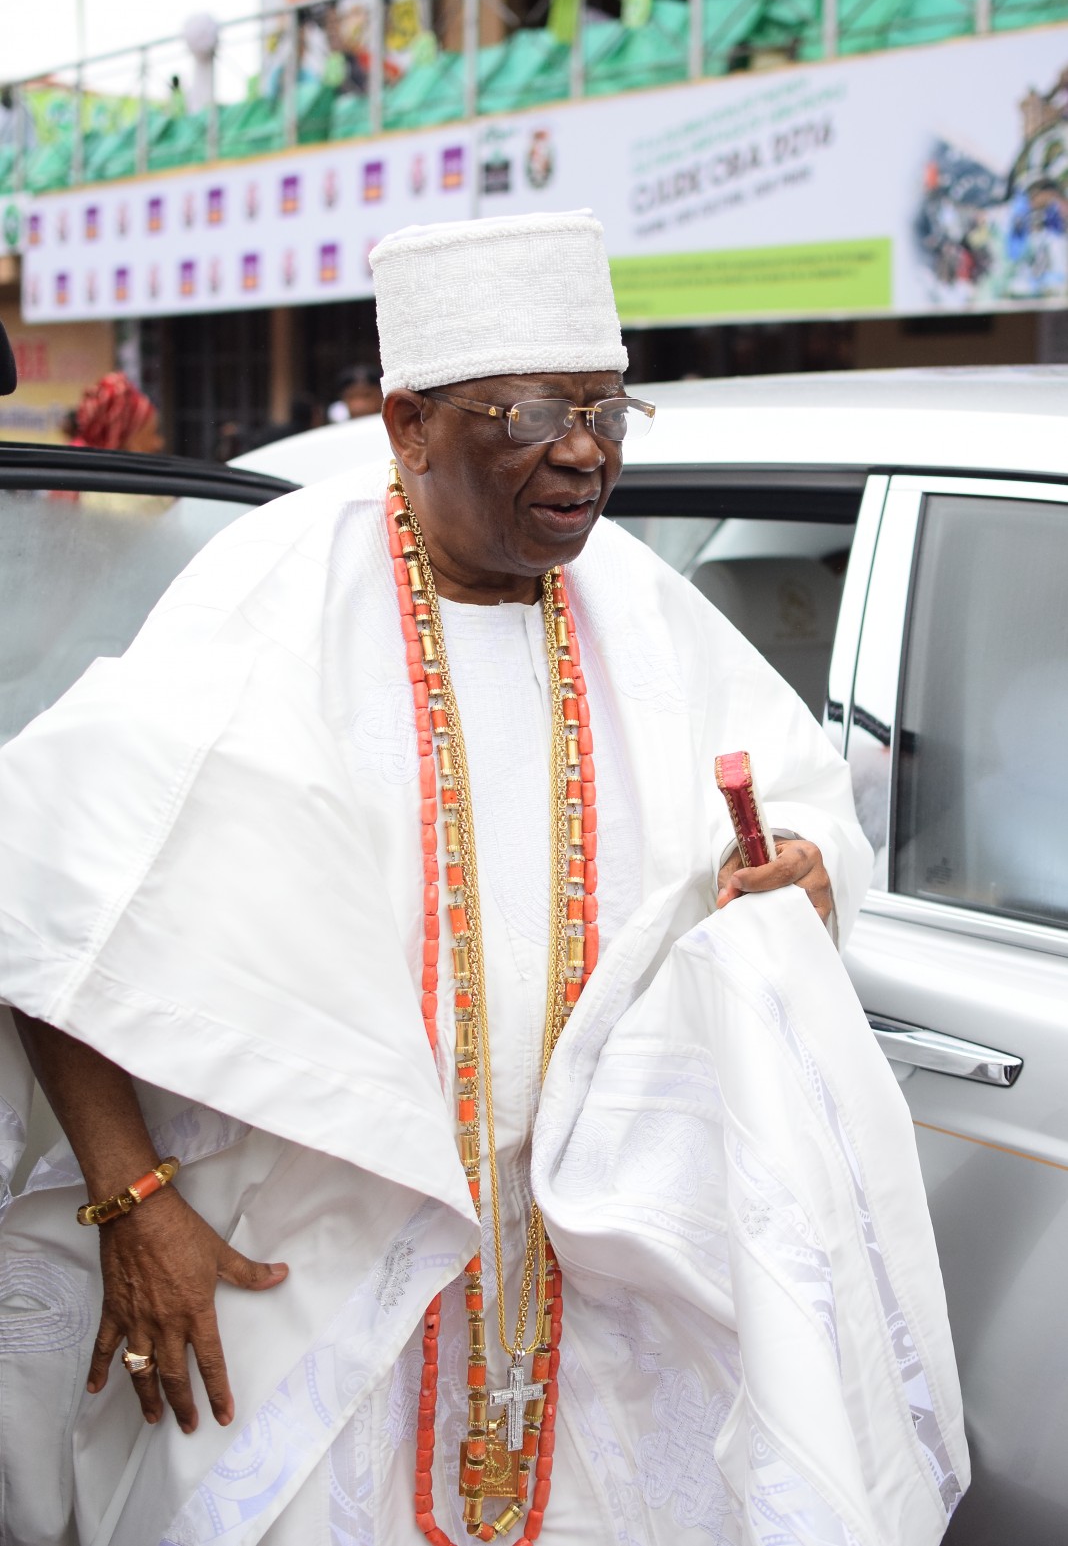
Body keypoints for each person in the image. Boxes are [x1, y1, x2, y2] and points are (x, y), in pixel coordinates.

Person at [0, 211, 967, 1546]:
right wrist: (132, 1204)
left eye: (608, 410)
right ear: (406, 425)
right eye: (536, 413)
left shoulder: (646, 612)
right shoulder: (272, 601)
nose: (585, 451)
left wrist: (801, 871)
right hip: (305, 1274)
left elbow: (801, 820)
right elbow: (49, 902)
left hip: (592, 1273)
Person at [74, 370, 163, 453]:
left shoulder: (77, 457)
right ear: (124, 439)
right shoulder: (80, 461)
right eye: (152, 433)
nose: (159, 444)